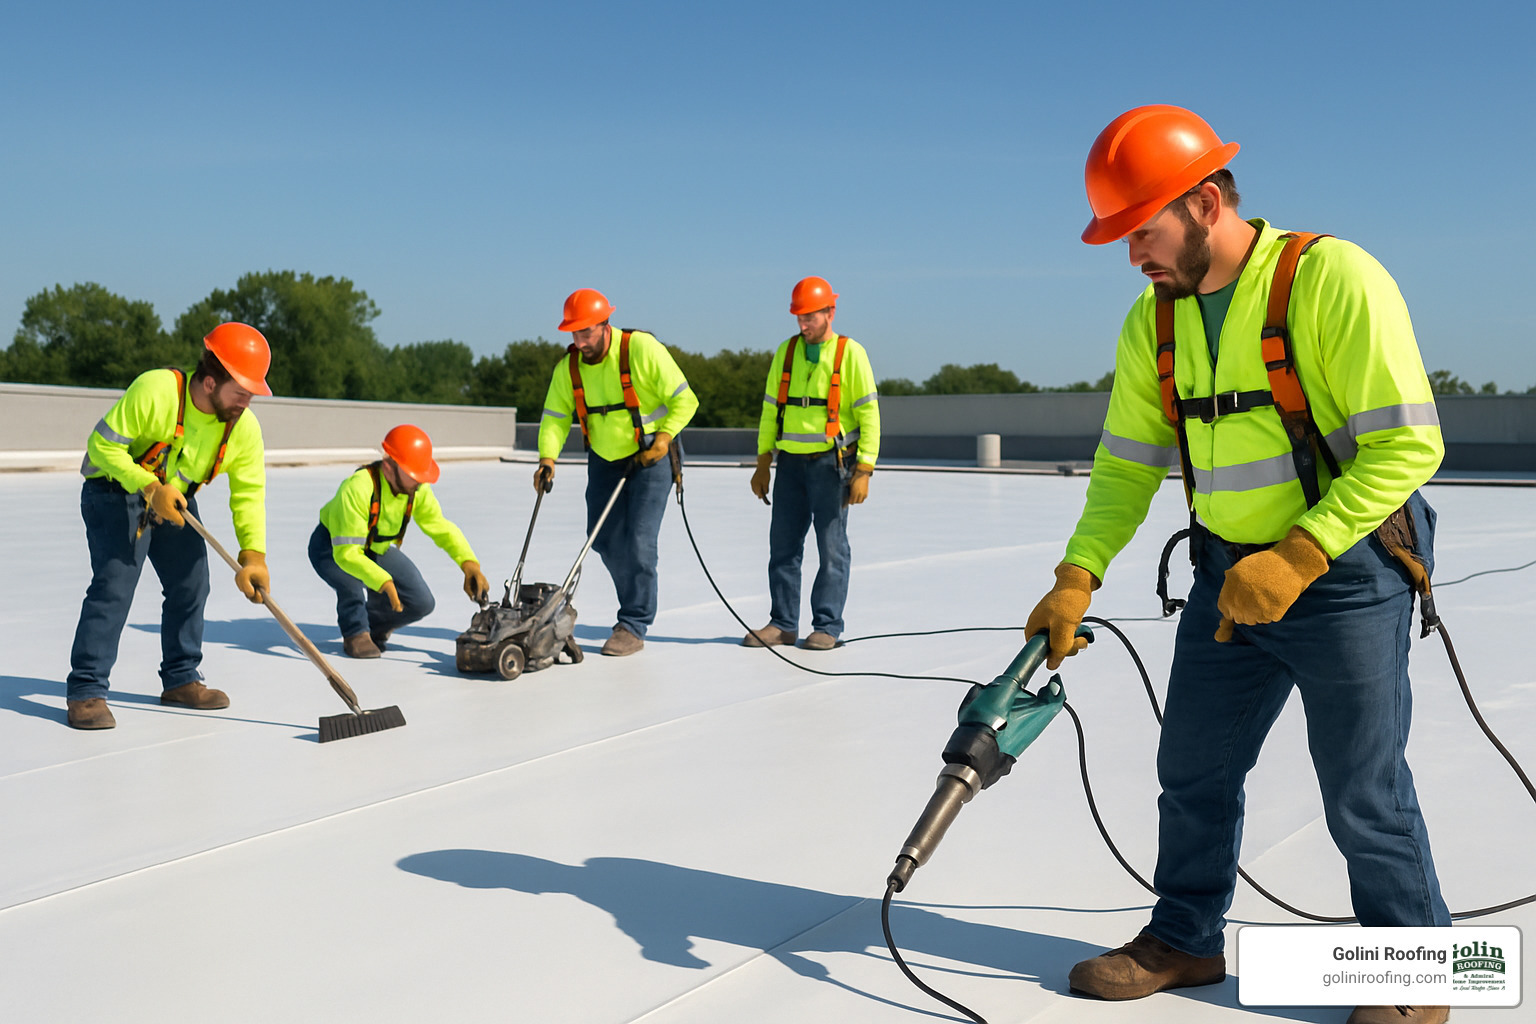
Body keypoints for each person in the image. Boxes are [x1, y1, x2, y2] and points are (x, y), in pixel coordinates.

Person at [1027, 106, 1449, 1024]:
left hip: (1344, 575)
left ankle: (1414, 978)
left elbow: (1407, 447)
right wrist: (1079, 573)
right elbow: (1127, 462)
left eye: (1141, 230)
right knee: (1194, 771)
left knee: (1362, 788)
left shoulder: (1329, 278)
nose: (1131, 254)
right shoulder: (1157, 322)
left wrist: (1301, 553)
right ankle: (1185, 938)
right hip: (1228, 579)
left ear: (1206, 201)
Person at [65, 322, 274, 730]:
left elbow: (248, 495)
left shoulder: (243, 429)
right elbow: (102, 446)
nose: (246, 402)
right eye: (241, 391)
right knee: (115, 584)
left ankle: (181, 680)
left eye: (252, 393)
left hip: (174, 499)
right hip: (114, 489)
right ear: (211, 381)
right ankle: (86, 691)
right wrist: (147, 485)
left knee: (192, 582)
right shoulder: (157, 391)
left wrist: (254, 556)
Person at [535, 288, 697, 657]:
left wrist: (665, 438)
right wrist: (548, 459)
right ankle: (633, 605)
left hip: (650, 456)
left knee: (639, 542)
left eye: (586, 332)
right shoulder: (569, 366)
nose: (580, 341)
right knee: (603, 538)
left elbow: (685, 399)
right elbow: (556, 418)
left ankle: (633, 623)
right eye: (573, 334)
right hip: (604, 458)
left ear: (605, 325)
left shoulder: (640, 349)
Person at [743, 276, 880, 651]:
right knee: (783, 547)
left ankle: (827, 625)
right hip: (789, 466)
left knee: (832, 548)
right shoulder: (786, 353)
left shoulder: (850, 353)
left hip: (832, 466)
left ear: (830, 312)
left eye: (810, 317)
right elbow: (771, 410)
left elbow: (869, 415)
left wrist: (864, 470)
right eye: (798, 317)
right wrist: (762, 461)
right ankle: (782, 624)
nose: (803, 325)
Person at [308, 425, 488, 658]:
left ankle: (375, 626)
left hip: (374, 547)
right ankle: (356, 633)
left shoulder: (416, 489)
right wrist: (383, 581)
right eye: (414, 474)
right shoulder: (357, 488)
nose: (419, 481)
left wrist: (468, 563)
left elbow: (440, 526)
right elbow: (348, 555)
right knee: (351, 584)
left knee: (422, 601)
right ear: (389, 466)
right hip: (332, 548)